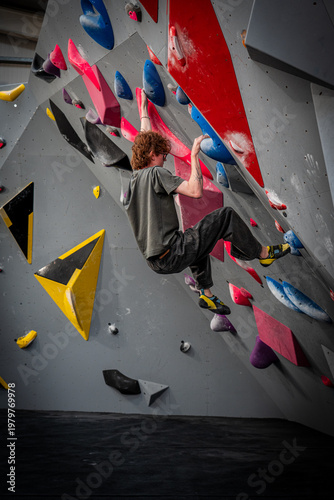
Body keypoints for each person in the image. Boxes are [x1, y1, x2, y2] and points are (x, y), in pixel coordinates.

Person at [125, 90, 290, 315]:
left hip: (157, 262)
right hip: (172, 253)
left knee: (197, 240)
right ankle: (262, 254)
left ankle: (206, 294)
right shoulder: (156, 174)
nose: (165, 159)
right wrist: (194, 156)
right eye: (163, 155)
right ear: (153, 155)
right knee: (225, 216)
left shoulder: (136, 178)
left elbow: (142, 140)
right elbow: (194, 191)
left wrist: (143, 109)